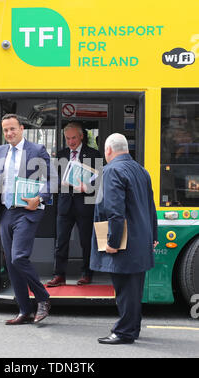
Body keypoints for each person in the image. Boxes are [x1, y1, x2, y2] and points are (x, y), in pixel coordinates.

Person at [0, 113, 57, 325]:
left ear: (21, 129)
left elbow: (52, 178)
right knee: (11, 263)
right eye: (5, 130)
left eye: (12, 129)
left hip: (27, 211)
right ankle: (25, 310)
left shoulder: (37, 150)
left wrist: (40, 198)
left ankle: (43, 298)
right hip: (6, 212)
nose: (9, 133)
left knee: (18, 257)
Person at [90, 133, 158, 344]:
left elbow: (115, 212)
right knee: (133, 290)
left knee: (124, 289)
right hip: (140, 239)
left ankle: (124, 332)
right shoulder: (141, 170)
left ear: (108, 150)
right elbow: (150, 206)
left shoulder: (111, 170)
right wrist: (153, 236)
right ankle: (131, 328)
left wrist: (112, 242)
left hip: (125, 242)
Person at [47, 122, 101, 287]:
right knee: (61, 241)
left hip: (85, 204)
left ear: (81, 136)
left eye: (74, 138)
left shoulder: (94, 154)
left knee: (86, 242)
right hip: (65, 205)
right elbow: (54, 179)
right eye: (68, 138)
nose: (71, 142)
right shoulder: (61, 154)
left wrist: (87, 187)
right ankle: (59, 275)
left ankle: (86, 273)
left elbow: (99, 183)